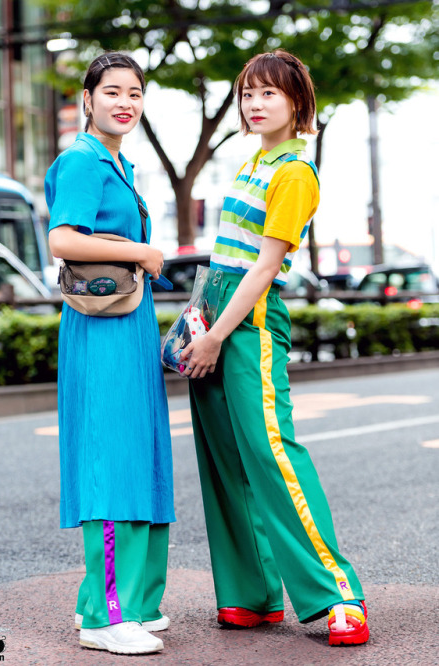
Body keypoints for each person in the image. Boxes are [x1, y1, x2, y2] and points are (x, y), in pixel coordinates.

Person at [180, 50, 369, 647]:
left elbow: (265, 269)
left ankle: (339, 595)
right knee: (225, 459)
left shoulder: (294, 171)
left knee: (271, 454)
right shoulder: (252, 163)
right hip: (215, 310)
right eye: (248, 94)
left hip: (251, 324)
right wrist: (197, 313)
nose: (255, 104)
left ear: (297, 104)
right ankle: (252, 595)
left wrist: (215, 335)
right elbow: (226, 257)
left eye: (268, 94)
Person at [45, 52, 175, 656]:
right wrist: (141, 253)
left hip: (129, 328)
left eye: (136, 93)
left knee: (140, 453)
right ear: (88, 99)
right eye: (114, 91)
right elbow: (61, 239)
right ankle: (103, 616)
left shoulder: (119, 163)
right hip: (101, 334)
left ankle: (131, 602)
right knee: (111, 461)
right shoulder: (81, 160)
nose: (126, 101)